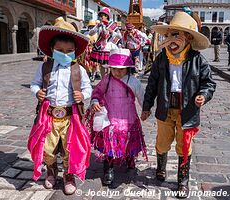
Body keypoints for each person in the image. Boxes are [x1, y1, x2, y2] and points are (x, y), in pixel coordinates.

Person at [141, 12, 216, 198]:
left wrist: (203, 95)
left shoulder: (198, 61)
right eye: (169, 35)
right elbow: (152, 84)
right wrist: (146, 107)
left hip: (187, 112)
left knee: (184, 146)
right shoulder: (161, 59)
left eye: (176, 36)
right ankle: (161, 168)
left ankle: (183, 181)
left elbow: (208, 83)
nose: (171, 41)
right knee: (162, 142)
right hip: (165, 109)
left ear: (188, 38)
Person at [28, 17, 92, 195]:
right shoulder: (45, 68)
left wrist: (83, 95)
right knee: (47, 147)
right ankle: (51, 170)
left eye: (69, 51)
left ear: (75, 51)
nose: (65, 54)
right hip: (48, 116)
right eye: (60, 50)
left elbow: (88, 89)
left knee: (69, 148)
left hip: (71, 116)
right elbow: (34, 84)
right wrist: (37, 92)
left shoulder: (79, 69)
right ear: (51, 49)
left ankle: (68, 175)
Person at [86, 48, 147, 185]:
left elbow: (141, 97)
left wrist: (145, 110)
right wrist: (95, 101)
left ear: (128, 68)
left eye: (121, 69)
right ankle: (108, 169)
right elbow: (97, 92)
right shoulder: (106, 80)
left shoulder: (134, 82)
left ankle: (130, 160)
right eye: (114, 69)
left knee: (129, 142)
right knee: (110, 145)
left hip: (129, 119)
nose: (118, 72)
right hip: (111, 120)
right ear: (110, 68)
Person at [89, 7, 121, 79]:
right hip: (101, 47)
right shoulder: (98, 25)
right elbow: (90, 33)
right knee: (101, 65)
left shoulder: (113, 25)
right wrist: (96, 27)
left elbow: (120, 36)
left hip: (110, 48)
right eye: (100, 16)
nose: (100, 17)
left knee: (109, 65)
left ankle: (110, 80)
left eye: (102, 15)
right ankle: (104, 80)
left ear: (106, 16)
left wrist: (112, 31)